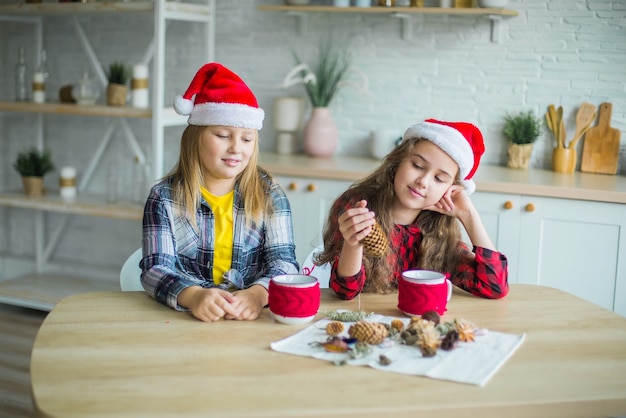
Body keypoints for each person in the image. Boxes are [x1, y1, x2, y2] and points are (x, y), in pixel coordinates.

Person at [140, 63, 299, 322]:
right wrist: (192, 296)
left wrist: (259, 294)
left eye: (247, 139)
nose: (237, 148)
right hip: (185, 320)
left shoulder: (271, 195)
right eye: (223, 135)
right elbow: (155, 269)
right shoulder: (164, 198)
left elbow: (284, 263)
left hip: (250, 321)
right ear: (195, 138)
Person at [316, 119, 509, 300]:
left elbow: (494, 286)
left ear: (449, 190)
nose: (423, 182)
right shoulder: (357, 207)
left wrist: (469, 216)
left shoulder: (440, 235)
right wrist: (353, 243)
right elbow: (345, 291)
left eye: (439, 179)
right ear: (398, 162)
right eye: (417, 165)